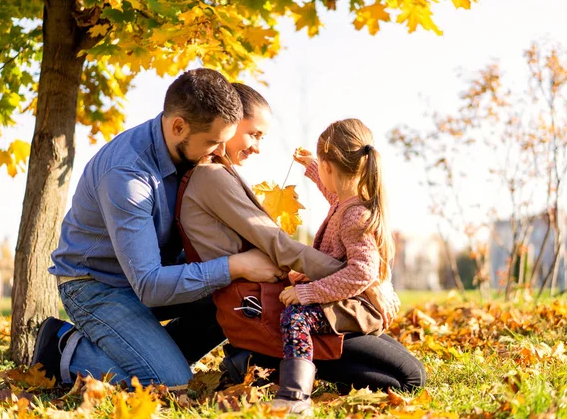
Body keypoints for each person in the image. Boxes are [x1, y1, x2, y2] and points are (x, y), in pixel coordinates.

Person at [31, 69, 284, 387]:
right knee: (170, 383)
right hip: (98, 285)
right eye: (212, 143)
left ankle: (151, 353)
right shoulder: (127, 175)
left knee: (231, 296)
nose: (220, 152)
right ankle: (64, 347)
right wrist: (235, 266)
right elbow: (149, 285)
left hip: (154, 272)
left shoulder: (192, 146)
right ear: (179, 126)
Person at [179, 86, 426, 410]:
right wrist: (369, 284)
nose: (257, 147)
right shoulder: (213, 177)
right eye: (254, 134)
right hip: (273, 306)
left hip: (323, 296)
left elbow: (335, 199)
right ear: (230, 122)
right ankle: (282, 382)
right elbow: (280, 242)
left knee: (410, 375)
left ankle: (264, 364)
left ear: (330, 167)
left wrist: (365, 280)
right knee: (407, 379)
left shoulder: (351, 209)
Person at [270, 118, 394, 413]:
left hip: (358, 306)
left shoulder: (354, 215)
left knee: (296, 317)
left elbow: (362, 272)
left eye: (323, 166)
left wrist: (310, 292)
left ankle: (294, 397)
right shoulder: (346, 202)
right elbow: (331, 190)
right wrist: (312, 165)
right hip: (347, 297)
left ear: (331, 166)